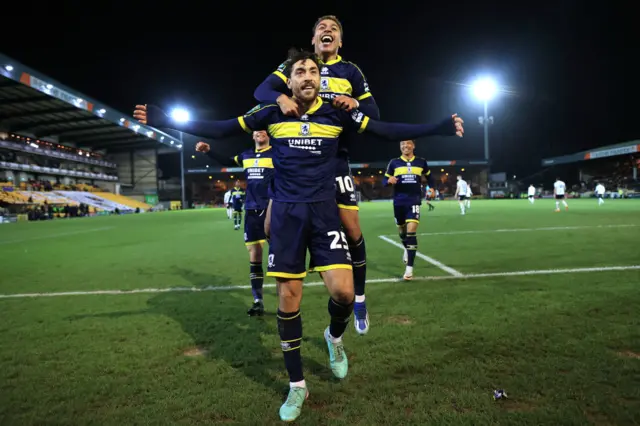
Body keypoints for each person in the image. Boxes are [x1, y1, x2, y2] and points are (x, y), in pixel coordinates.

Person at [133, 49, 463, 422]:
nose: (306, 76)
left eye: (312, 71)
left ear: (320, 79)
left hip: (324, 213)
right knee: (289, 298)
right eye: (299, 72)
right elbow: (222, 127)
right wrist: (166, 121)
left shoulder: (338, 111)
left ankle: (334, 338)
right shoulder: (271, 113)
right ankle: (296, 386)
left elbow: (386, 130)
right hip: (288, 215)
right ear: (288, 81)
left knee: (342, 292)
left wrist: (436, 127)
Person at [254, 15, 380, 335]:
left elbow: (374, 115)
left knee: (352, 229)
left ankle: (360, 298)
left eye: (333, 29)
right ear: (313, 40)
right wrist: (280, 97)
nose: (327, 31)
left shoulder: (350, 71)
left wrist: (354, 102)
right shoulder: (298, 66)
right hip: (296, 161)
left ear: (340, 41)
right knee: (269, 226)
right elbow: (262, 90)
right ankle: (295, 265)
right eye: (321, 28)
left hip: (335, 160)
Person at [196, 130, 273, 316]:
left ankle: (286, 301)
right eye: (257, 130)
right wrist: (209, 151)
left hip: (272, 211)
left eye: (263, 129)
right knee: (255, 255)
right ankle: (258, 300)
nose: (260, 132)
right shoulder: (246, 156)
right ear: (253, 135)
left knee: (278, 256)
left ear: (269, 134)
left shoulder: (277, 153)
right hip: (252, 212)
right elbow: (228, 161)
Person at [383, 140, 434, 280]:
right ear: (400, 147)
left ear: (413, 146)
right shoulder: (394, 163)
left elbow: (430, 177)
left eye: (408, 144)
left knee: (411, 233)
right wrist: (389, 181)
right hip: (399, 202)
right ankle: (406, 248)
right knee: (402, 231)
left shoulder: (421, 162)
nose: (405, 146)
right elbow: (384, 181)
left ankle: (409, 269)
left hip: (414, 201)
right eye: (402, 145)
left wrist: (433, 188)